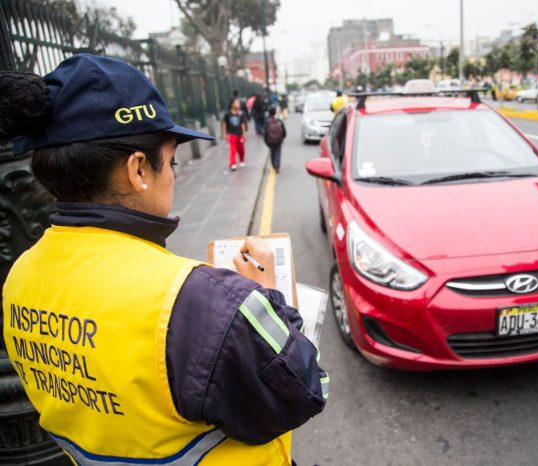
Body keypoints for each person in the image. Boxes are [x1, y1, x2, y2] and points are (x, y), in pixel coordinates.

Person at [1, 54, 328, 465]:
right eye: (170, 161)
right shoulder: (203, 304)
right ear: (138, 169)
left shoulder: (18, 276)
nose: (172, 174)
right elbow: (303, 390)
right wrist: (263, 297)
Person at [221, 98, 247, 171]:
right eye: (236, 103)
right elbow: (225, 124)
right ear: (232, 104)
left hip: (240, 134)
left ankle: (241, 160)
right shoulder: (227, 114)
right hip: (231, 134)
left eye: (238, 103)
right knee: (233, 149)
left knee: (241, 149)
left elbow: (242, 124)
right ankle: (233, 164)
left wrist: (244, 134)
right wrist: (225, 133)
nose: (238, 104)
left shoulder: (241, 114)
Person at [264, 107, 287, 173]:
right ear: (275, 112)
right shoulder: (279, 121)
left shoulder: (267, 122)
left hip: (270, 141)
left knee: (272, 153)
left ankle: (274, 165)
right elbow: (284, 132)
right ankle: (277, 166)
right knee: (278, 153)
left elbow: (265, 133)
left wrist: (266, 142)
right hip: (278, 140)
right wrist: (282, 138)